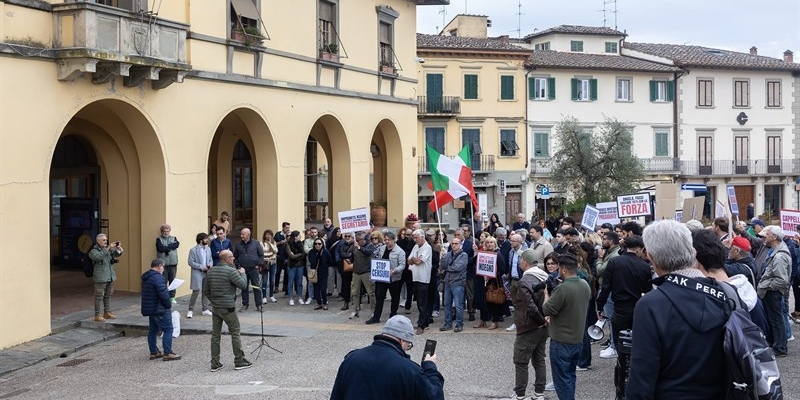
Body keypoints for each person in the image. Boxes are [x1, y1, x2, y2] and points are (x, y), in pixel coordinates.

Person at [627, 219, 728, 400]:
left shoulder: (651, 304)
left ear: (651, 257)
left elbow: (642, 375)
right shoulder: (726, 293)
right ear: (693, 252)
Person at [329, 315, 444, 400]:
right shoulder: (410, 370)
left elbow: (336, 395)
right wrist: (430, 367)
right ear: (402, 340)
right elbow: (435, 396)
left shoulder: (351, 359)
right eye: (408, 345)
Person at [594, 235, 651, 398]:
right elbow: (647, 292)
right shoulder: (644, 266)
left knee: (621, 350)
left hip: (619, 310)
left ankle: (620, 386)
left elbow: (606, 287)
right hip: (637, 310)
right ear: (639, 249)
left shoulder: (615, 262)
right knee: (636, 347)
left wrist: (600, 305)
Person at [541, 253, 590, 400]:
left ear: (563, 270)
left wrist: (545, 294)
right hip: (577, 339)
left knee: (562, 381)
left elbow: (546, 309)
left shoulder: (562, 289)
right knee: (569, 377)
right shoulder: (584, 284)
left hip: (561, 341)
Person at [203, 250, 252, 372]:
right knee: (235, 332)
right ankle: (239, 360)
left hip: (216, 307)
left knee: (215, 335)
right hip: (228, 307)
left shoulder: (211, 271)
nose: (233, 259)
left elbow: (206, 290)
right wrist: (243, 274)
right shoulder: (231, 271)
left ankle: (215, 362)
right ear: (226, 259)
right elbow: (243, 285)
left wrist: (214, 301)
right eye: (231, 257)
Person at [512, 249, 550, 400]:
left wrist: (540, 319)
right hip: (544, 326)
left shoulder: (525, 281)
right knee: (539, 360)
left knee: (521, 361)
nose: (520, 262)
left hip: (529, 326)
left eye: (521, 259)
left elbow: (530, 306)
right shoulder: (545, 276)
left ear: (525, 262)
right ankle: (539, 393)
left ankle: (520, 394)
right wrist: (545, 320)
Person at [756, 225, 792, 357]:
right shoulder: (775, 251)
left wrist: (765, 285)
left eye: (768, 234)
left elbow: (781, 280)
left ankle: (780, 348)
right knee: (774, 319)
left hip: (773, 292)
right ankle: (777, 345)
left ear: (774, 237)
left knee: (776, 319)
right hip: (771, 291)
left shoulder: (779, 256)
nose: (765, 236)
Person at [141, 258, 180, 361]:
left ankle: (154, 352)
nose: (163, 269)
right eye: (163, 266)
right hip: (159, 308)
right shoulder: (158, 278)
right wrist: (168, 305)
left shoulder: (147, 277)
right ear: (159, 266)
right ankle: (168, 353)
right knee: (168, 329)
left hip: (150, 307)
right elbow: (163, 295)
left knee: (153, 330)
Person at [367, 231, 406, 324]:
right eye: (385, 240)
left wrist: (394, 270)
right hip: (382, 277)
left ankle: (392, 316)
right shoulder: (382, 248)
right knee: (379, 296)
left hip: (394, 278)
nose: (387, 241)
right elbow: (377, 259)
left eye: (388, 240)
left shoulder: (400, 251)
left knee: (395, 298)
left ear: (393, 240)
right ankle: (376, 317)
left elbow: (402, 265)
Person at [88, 233, 124, 322]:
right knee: (99, 296)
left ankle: (107, 312)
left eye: (106, 240)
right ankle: (97, 314)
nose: (106, 241)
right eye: (103, 240)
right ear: (98, 241)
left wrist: (118, 248)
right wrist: (108, 248)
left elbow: (116, 255)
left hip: (109, 276)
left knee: (108, 295)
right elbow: (99, 257)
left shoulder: (106, 249)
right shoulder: (93, 251)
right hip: (100, 277)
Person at [439, 237, 468, 332]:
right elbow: (442, 266)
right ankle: (448, 323)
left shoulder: (464, 255)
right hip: (448, 282)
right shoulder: (448, 254)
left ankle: (459, 324)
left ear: (460, 245)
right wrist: (442, 257)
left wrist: (446, 268)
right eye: (453, 244)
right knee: (447, 304)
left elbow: (458, 267)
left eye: (456, 243)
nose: (454, 245)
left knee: (459, 305)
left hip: (458, 282)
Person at [408, 229, 433, 335]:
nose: (415, 240)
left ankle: (421, 324)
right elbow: (409, 260)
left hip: (423, 278)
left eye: (416, 237)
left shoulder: (427, 247)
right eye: (413, 237)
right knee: (418, 302)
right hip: (416, 276)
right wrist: (414, 259)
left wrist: (414, 259)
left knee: (422, 303)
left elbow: (418, 262)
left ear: (422, 237)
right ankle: (425, 321)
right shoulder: (415, 247)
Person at [233, 228, 264, 312]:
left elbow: (261, 255)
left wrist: (259, 264)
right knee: (244, 287)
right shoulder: (238, 244)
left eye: (243, 234)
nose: (241, 236)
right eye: (241, 234)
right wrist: (238, 266)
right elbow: (235, 256)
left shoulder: (256, 243)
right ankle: (245, 304)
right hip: (243, 269)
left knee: (256, 287)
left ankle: (259, 304)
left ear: (248, 234)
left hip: (254, 269)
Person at [187, 232, 213, 318]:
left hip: (207, 272)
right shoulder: (193, 250)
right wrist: (201, 267)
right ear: (201, 240)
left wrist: (209, 264)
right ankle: (190, 309)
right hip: (197, 272)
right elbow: (190, 262)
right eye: (206, 239)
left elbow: (210, 259)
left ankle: (205, 309)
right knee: (196, 291)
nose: (207, 240)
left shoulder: (208, 249)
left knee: (205, 290)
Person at [155, 223, 180, 303]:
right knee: (163, 281)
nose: (166, 233)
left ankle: (172, 297)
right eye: (164, 231)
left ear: (170, 231)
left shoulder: (173, 238)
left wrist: (166, 248)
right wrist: (169, 247)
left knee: (172, 281)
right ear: (162, 232)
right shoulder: (159, 239)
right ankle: (164, 297)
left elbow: (176, 244)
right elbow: (160, 248)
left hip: (173, 264)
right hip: (163, 265)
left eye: (167, 231)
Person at [308, 237, 332, 310]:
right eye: (316, 244)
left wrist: (322, 259)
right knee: (316, 288)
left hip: (323, 272)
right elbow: (311, 261)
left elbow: (330, 261)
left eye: (319, 244)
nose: (317, 245)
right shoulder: (312, 252)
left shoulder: (325, 252)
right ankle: (319, 303)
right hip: (315, 272)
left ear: (322, 244)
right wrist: (317, 255)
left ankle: (324, 302)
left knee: (323, 288)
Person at [285, 230, 306, 306]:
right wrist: (299, 255)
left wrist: (297, 255)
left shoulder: (301, 244)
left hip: (300, 265)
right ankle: (290, 298)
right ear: (295, 237)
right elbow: (291, 256)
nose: (300, 237)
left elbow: (304, 254)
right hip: (291, 265)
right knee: (290, 282)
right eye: (299, 236)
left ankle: (300, 297)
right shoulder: (288, 244)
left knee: (299, 282)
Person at [260, 229, 279, 304]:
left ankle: (271, 295)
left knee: (272, 280)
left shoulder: (273, 242)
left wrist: (270, 243)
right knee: (264, 280)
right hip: (265, 263)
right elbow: (261, 253)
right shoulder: (261, 243)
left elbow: (276, 251)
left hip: (272, 263)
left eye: (269, 235)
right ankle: (264, 297)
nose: (268, 236)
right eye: (266, 234)